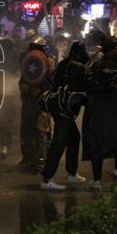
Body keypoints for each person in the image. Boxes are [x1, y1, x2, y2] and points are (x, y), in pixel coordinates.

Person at [81, 38, 117, 188]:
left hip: (97, 119)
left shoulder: (93, 77)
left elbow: (84, 91)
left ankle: (96, 180)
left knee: (96, 149)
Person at [39, 41, 88, 190]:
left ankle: (72, 173)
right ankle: (47, 179)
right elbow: (81, 87)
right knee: (59, 143)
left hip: (60, 107)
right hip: (64, 111)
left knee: (73, 138)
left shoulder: (64, 64)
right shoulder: (77, 67)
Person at [18, 36, 53, 173]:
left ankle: (41, 160)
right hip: (29, 102)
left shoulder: (48, 62)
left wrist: (40, 89)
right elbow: (23, 81)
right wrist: (26, 88)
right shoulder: (29, 62)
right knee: (28, 130)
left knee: (40, 131)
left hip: (42, 103)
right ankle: (29, 158)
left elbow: (50, 83)